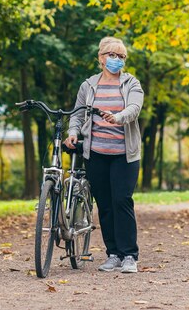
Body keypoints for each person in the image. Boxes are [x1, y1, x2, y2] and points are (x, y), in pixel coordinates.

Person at [64, 36, 144, 274]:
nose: (116, 60)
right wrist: (73, 132)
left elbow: (134, 108)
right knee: (105, 205)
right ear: (100, 58)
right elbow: (77, 115)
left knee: (122, 201)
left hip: (124, 154)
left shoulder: (131, 83)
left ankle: (130, 255)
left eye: (121, 56)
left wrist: (117, 117)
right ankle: (113, 254)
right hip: (96, 153)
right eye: (112, 55)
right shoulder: (88, 85)